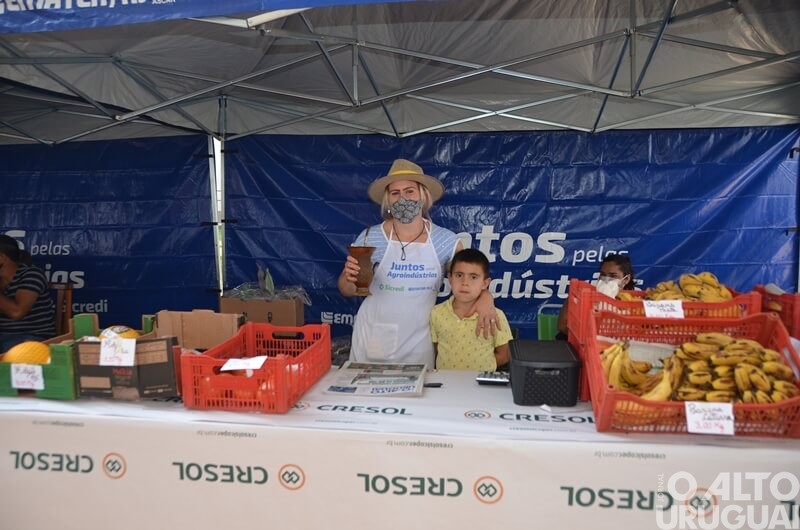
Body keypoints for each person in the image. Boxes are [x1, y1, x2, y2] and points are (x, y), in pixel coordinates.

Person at [339, 159, 499, 368]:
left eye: (409, 191)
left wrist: (486, 297)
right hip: (373, 337)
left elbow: (468, 278)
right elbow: (347, 289)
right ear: (388, 200)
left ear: (423, 196)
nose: (403, 198)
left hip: (419, 341)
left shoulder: (446, 241)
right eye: (395, 193)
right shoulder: (370, 237)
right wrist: (348, 278)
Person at [430, 248, 513, 371]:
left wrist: (483, 366)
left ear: (485, 283)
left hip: (481, 385)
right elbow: (437, 350)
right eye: (459, 275)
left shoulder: (495, 316)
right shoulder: (437, 313)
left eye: (473, 277)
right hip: (446, 385)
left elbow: (505, 354)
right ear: (450, 278)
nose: (465, 283)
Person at [556, 252, 635, 339]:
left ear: (626, 279)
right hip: (573, 344)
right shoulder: (582, 294)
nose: (606, 279)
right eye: (603, 275)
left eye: (613, 276)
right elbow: (562, 326)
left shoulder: (633, 303)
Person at [0, 235, 56, 352]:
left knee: (12, 352)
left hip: (32, 338)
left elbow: (17, 312)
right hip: (4, 337)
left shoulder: (32, 274)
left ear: (1, 257)